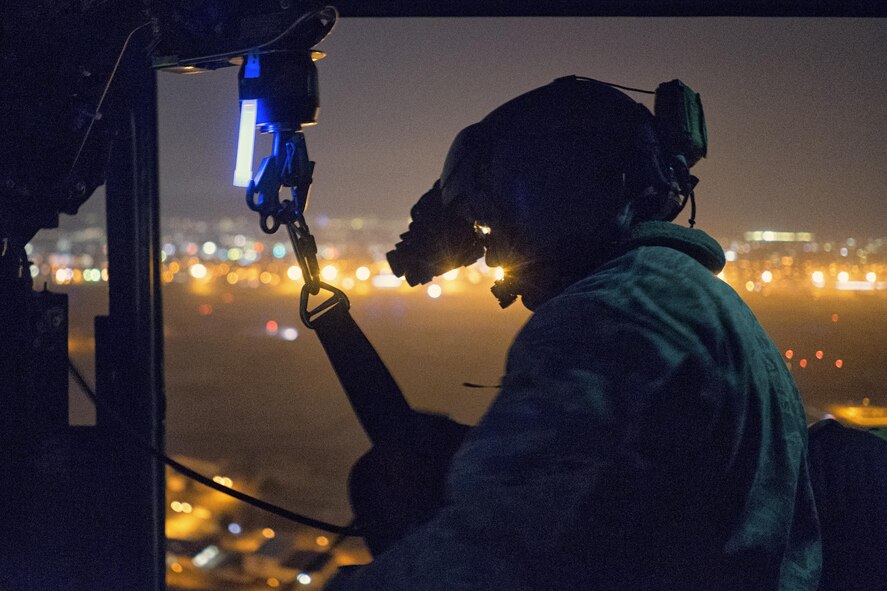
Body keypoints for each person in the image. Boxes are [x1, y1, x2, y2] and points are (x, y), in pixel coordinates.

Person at [326, 76, 821, 590]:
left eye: (499, 227)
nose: (496, 257)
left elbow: (493, 552)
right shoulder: (688, 295)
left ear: (554, 194)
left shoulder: (610, 316)